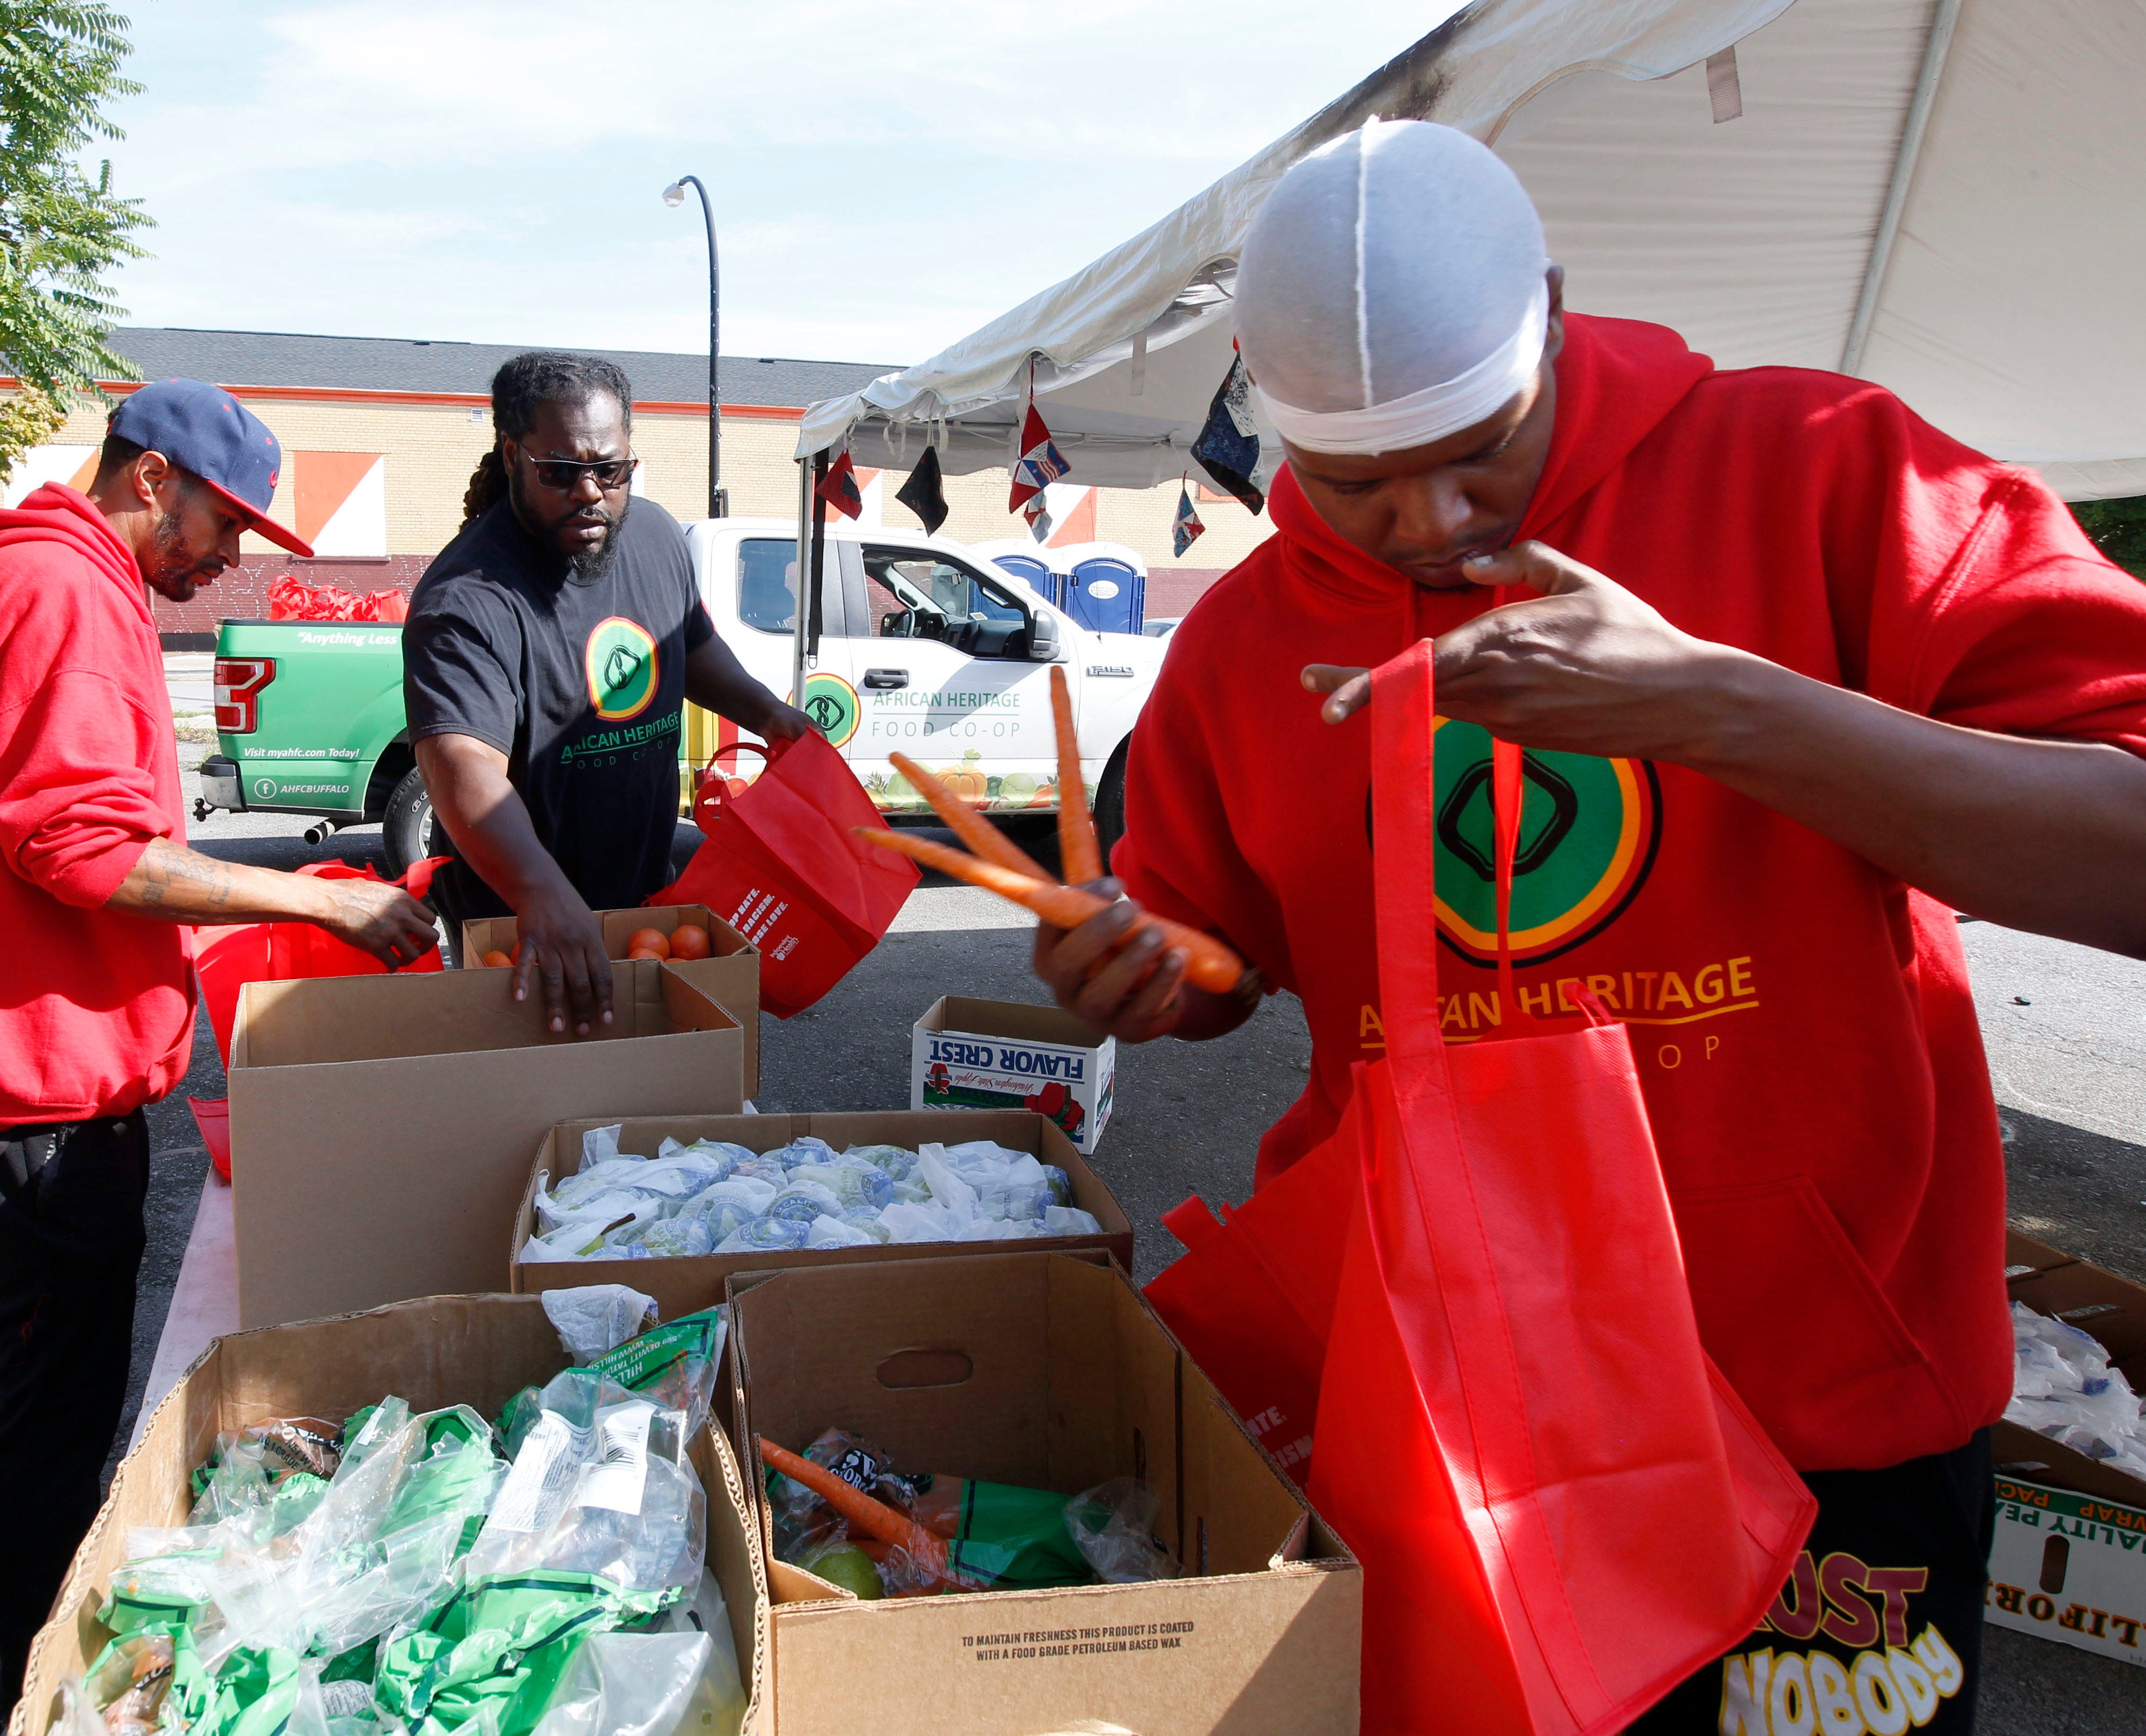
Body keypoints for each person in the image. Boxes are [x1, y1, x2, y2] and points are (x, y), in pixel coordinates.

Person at [1033, 120, 2146, 1731]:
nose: (1424, 521)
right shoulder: (1246, 640)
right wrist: (1147, 971)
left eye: (1482, 450)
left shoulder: (1823, 469)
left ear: (1548, 319)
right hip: (1453, 1414)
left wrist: (1724, 708)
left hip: (1820, 1402)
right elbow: (1221, 957)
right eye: (1354, 485)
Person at [0, 379, 439, 1727]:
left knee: (47, 1393)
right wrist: (319, 895)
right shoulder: (64, 595)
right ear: (150, 478)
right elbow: (78, 848)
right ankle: (38, 1683)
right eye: (220, 523)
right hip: (32, 1087)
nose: (229, 556)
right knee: (57, 1424)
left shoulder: (33, 579)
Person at [402, 351, 809, 1036]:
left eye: (610, 469)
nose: (589, 491)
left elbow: (690, 645)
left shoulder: (652, 534)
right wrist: (540, 891)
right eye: (560, 471)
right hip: (518, 922)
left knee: (654, 1113)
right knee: (538, 1116)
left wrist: (769, 715)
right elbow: (462, 768)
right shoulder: (465, 601)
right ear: (511, 456)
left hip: (645, 898)